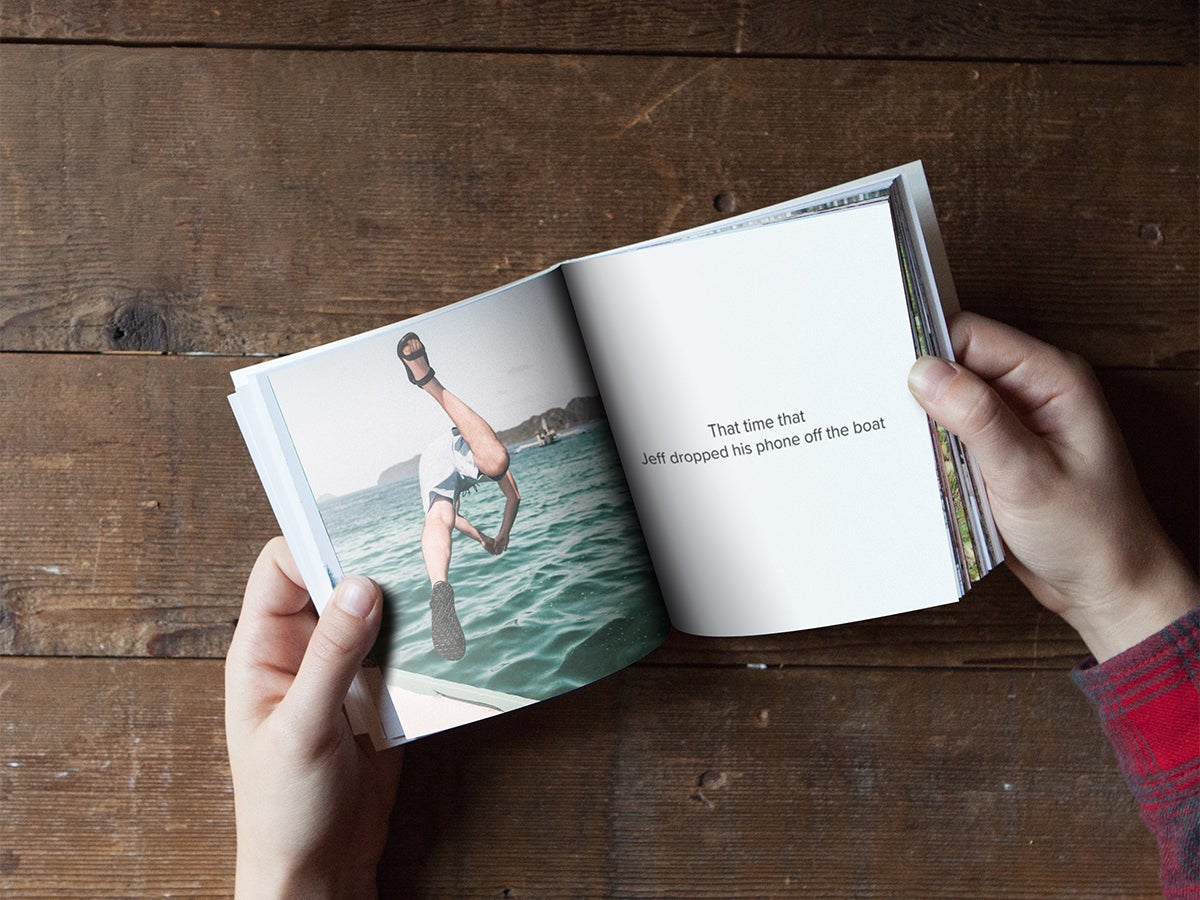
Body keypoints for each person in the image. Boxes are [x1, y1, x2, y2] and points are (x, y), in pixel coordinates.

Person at [225, 312, 1198, 896]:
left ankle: (443, 488)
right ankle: (442, 432)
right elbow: (500, 488)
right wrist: (1123, 591)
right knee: (483, 474)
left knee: (476, 483)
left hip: (474, 505)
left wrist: (295, 879)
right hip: (479, 493)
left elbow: (500, 494)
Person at [398, 332, 521, 660]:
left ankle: (439, 587)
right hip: (455, 447)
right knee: (496, 461)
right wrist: (502, 534)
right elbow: (513, 498)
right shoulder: (481, 459)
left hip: (434, 458)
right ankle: (428, 381)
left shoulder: (456, 480)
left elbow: (451, 519)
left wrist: (483, 538)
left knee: (440, 515)